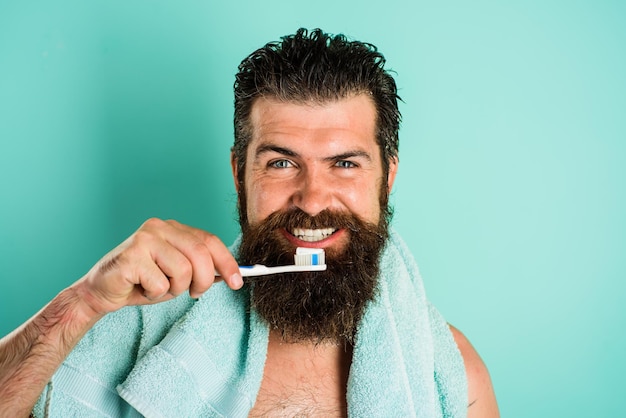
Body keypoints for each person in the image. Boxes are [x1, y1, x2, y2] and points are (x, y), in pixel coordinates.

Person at [0, 28, 498, 417]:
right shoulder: (137, 336)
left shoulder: (448, 374)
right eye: (281, 163)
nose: (311, 199)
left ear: (387, 178)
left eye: (345, 163)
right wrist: (83, 302)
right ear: (239, 173)